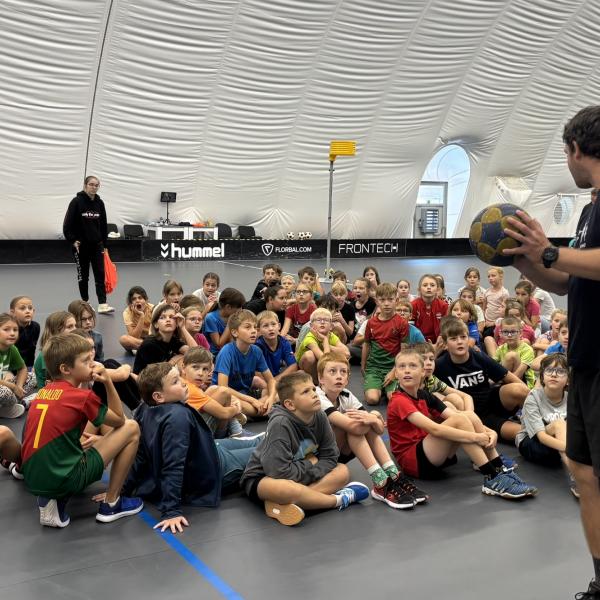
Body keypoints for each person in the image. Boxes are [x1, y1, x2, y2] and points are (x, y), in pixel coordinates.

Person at [502, 105, 600, 598]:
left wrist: (548, 250)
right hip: (586, 361)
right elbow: (565, 280)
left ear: (576, 149)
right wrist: (527, 262)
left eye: (565, 154)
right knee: (583, 469)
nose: (566, 163)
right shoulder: (589, 210)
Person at [21, 334, 142, 527]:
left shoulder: (43, 392)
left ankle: (52, 498)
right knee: (131, 427)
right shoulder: (81, 397)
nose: (92, 364)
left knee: (95, 423)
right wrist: (107, 381)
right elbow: (119, 420)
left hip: (33, 476)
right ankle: (112, 503)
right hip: (64, 478)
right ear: (66, 369)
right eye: (86, 361)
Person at [123, 362, 261, 533]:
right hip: (217, 468)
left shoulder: (145, 408)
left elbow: (140, 455)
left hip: (209, 449)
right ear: (159, 396)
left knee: (262, 440)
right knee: (271, 451)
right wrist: (171, 511)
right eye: (175, 382)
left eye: (180, 377)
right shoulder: (177, 418)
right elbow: (173, 464)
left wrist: (122, 491)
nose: (183, 382)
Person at [387, 349, 537, 499]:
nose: (407, 370)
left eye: (412, 366)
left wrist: (489, 432)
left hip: (429, 453)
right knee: (460, 420)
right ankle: (492, 477)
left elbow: (456, 415)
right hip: (414, 461)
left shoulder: (424, 395)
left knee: (467, 415)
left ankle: (499, 468)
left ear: (422, 372)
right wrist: (476, 437)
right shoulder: (399, 400)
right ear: (396, 374)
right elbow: (435, 429)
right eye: (402, 366)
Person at [240, 371, 369, 526]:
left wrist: (312, 471)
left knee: (342, 471)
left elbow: (331, 456)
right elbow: (278, 472)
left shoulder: (320, 416)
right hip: (264, 478)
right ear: (290, 404)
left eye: (313, 389)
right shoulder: (280, 423)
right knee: (287, 489)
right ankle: (337, 500)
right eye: (306, 392)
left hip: (299, 474)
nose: (314, 394)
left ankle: (290, 503)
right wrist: (311, 463)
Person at [317, 352, 428, 509]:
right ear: (321, 378)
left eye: (343, 372)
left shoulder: (346, 395)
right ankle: (381, 482)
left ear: (347, 379)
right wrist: (374, 418)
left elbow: (379, 430)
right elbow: (355, 427)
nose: (339, 376)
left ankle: (394, 476)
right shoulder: (318, 397)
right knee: (356, 424)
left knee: (363, 421)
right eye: (332, 371)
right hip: (319, 457)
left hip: (337, 451)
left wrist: (373, 418)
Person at [435, 317, 529, 443]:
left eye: (463, 337)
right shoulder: (439, 365)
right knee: (526, 433)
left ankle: (539, 419)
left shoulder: (478, 356)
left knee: (520, 389)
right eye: (453, 339)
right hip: (473, 417)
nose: (459, 342)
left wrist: (530, 399)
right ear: (445, 344)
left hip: (491, 402)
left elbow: (514, 380)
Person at [516, 354, 577, 497]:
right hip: (532, 443)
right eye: (549, 370)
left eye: (560, 371)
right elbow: (541, 436)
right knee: (559, 424)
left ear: (568, 380)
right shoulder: (533, 397)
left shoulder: (571, 399)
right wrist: (572, 450)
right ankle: (577, 477)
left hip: (559, 446)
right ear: (542, 377)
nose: (554, 375)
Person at [62, 175, 114, 314]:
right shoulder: (76, 202)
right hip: (80, 247)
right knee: (83, 276)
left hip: (97, 246)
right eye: (91, 184)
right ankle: (85, 303)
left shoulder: (100, 203)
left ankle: (103, 304)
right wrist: (73, 240)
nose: (94, 187)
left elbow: (103, 226)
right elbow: (67, 225)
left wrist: (105, 245)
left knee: (100, 275)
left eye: (96, 185)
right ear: (85, 185)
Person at [212, 309, 277, 417]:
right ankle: (261, 410)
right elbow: (223, 387)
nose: (253, 331)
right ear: (235, 332)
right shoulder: (226, 352)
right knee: (244, 406)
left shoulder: (256, 351)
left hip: (244, 394)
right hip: (226, 396)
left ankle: (260, 409)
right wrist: (252, 400)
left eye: (255, 327)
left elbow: (271, 380)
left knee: (276, 393)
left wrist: (271, 398)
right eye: (247, 327)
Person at [182, 347, 249, 439]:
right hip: (197, 436)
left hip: (192, 429)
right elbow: (224, 413)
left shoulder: (185, 383)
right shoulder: (190, 389)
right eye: (195, 367)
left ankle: (235, 429)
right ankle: (233, 433)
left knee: (214, 389)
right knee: (224, 392)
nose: (200, 373)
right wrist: (235, 409)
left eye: (205, 369)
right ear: (183, 367)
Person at [362, 283, 408, 405]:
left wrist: (394, 371)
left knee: (393, 398)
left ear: (396, 301)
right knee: (372, 399)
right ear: (377, 301)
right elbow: (366, 344)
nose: (386, 303)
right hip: (374, 367)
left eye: (390, 299)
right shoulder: (371, 323)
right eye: (382, 300)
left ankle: (385, 388)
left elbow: (404, 351)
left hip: (393, 367)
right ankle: (376, 386)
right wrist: (363, 365)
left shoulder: (402, 323)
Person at [132, 304, 197, 374]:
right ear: (156, 324)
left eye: (172, 317)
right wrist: (174, 360)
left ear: (176, 323)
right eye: (162, 317)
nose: (168, 320)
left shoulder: (172, 340)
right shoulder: (149, 344)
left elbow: (196, 353)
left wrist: (183, 327)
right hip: (145, 379)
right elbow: (156, 375)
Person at [295, 308, 350, 383]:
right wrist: (325, 341)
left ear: (331, 326)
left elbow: (347, 353)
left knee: (341, 355)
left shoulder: (331, 335)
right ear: (311, 325)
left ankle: (326, 379)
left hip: (322, 363)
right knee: (310, 355)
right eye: (318, 320)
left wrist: (326, 343)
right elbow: (325, 360)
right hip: (305, 366)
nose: (322, 322)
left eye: (326, 320)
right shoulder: (309, 338)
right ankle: (314, 382)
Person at [0, 313, 36, 417]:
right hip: (3, 388)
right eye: (6, 330)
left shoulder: (12, 349)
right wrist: (13, 387)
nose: (12, 333)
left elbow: (23, 368)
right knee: (4, 391)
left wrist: (19, 386)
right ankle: (19, 403)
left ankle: (7, 407)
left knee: (32, 377)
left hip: (5, 386)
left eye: (15, 330)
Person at [34, 311, 77, 390]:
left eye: (75, 326)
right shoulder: (47, 355)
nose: (75, 330)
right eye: (70, 327)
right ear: (56, 331)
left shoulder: (71, 349)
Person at [493, 316, 535, 389]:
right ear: (500, 333)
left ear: (520, 333)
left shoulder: (527, 349)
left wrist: (500, 382)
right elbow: (492, 366)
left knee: (511, 355)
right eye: (505, 332)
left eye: (513, 332)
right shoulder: (501, 348)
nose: (509, 335)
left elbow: (518, 375)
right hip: (504, 382)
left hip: (523, 384)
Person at [255, 310, 298, 382]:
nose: (271, 329)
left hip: (277, 378)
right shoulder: (257, 347)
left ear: (279, 326)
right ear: (259, 331)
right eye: (265, 326)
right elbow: (257, 373)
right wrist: (271, 383)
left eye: (273, 324)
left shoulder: (284, 342)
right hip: (264, 382)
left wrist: (274, 381)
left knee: (301, 373)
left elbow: (293, 366)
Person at [203, 288, 246, 355]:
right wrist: (229, 323)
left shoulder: (234, 316)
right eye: (239, 307)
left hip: (230, 351)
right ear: (228, 307)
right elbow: (218, 344)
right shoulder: (211, 318)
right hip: (214, 354)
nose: (241, 310)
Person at [411, 274, 448, 343]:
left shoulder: (444, 306)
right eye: (425, 285)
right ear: (419, 289)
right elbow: (410, 328)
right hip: (417, 343)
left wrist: (439, 342)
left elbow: (446, 327)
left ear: (437, 289)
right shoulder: (413, 305)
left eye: (432, 285)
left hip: (439, 342)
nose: (428, 287)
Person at [119, 286, 154, 353]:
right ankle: (150, 348)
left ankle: (143, 349)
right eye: (134, 299)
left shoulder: (153, 308)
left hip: (152, 338)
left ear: (146, 300)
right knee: (123, 339)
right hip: (137, 340)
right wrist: (141, 316)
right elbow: (134, 336)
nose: (137, 301)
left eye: (140, 298)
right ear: (130, 303)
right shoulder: (127, 312)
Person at [9, 295, 39, 368]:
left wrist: (30, 368)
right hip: (9, 366)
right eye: (22, 308)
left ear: (33, 311)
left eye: (30, 308)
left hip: (27, 365)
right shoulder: (9, 329)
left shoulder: (35, 327)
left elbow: (32, 349)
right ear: (12, 312)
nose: (27, 311)